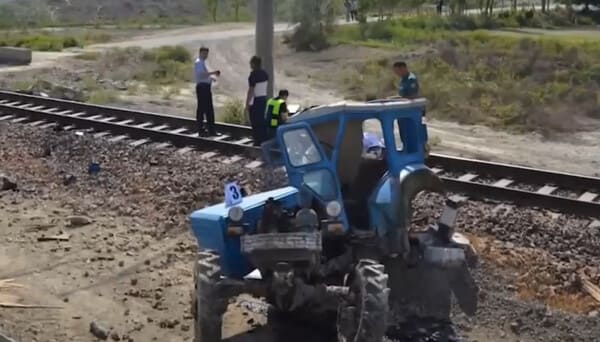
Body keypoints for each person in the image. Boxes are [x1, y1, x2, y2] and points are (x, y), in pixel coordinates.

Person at [194, 46, 220, 136]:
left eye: (207, 53)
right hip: (202, 88)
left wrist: (211, 78)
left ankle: (211, 130)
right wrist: (213, 73)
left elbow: (204, 75)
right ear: (200, 53)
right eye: (204, 53)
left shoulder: (203, 63)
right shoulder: (198, 62)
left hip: (206, 87)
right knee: (202, 109)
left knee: (209, 109)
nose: (206, 55)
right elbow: (200, 74)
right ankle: (201, 130)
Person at [246, 56, 270, 146]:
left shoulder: (253, 75)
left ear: (253, 64)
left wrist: (248, 103)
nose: (250, 65)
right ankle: (263, 138)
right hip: (263, 98)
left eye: (250, 63)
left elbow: (251, 90)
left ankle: (257, 140)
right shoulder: (265, 74)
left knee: (255, 121)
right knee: (261, 120)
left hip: (255, 100)